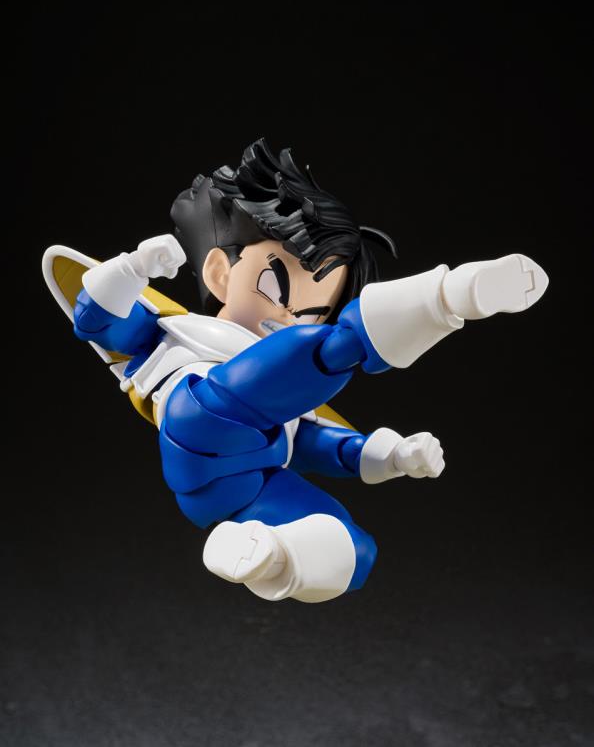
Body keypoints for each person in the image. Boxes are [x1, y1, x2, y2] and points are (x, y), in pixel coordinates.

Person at [43, 139, 548, 603]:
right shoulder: (178, 334)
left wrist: (393, 455)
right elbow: (96, 321)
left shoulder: (285, 382)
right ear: (220, 272)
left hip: (244, 490)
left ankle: (265, 554)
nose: (288, 317)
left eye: (313, 312)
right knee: (321, 351)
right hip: (200, 417)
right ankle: (449, 296)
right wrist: (133, 268)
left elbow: (314, 443)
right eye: (278, 288)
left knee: (355, 550)